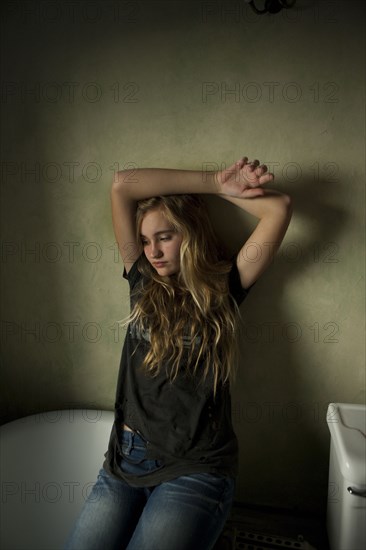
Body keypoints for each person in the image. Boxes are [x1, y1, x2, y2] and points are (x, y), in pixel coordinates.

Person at [64, 156, 292, 550]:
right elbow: (122, 184)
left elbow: (279, 208)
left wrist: (226, 188)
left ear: (191, 232)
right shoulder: (141, 280)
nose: (152, 251)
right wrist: (213, 180)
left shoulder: (225, 286)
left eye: (165, 236)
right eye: (147, 239)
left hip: (195, 468)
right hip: (124, 462)